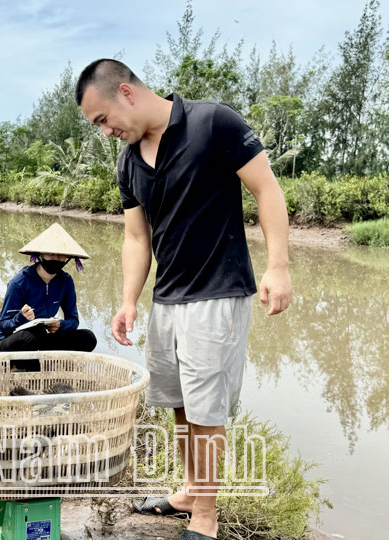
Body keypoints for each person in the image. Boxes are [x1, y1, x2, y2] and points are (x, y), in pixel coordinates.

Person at [76, 59, 292, 540]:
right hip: (167, 298)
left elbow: (266, 188)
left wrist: (277, 267)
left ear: (126, 93)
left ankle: (206, 519)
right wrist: (129, 300)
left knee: (206, 409)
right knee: (178, 402)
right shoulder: (128, 161)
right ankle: (190, 491)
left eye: (103, 119)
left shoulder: (213, 122)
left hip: (217, 292)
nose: (105, 131)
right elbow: (137, 237)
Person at [0, 223, 97, 352]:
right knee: (33, 336)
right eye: (50, 254)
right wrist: (21, 318)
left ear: (68, 258)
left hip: (39, 338)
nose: (56, 259)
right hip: (9, 340)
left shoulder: (66, 281)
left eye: (61, 255)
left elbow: (73, 320)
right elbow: (4, 325)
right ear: (40, 254)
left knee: (87, 338)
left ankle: (48, 362)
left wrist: (61, 325)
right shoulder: (19, 282)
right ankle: (25, 366)